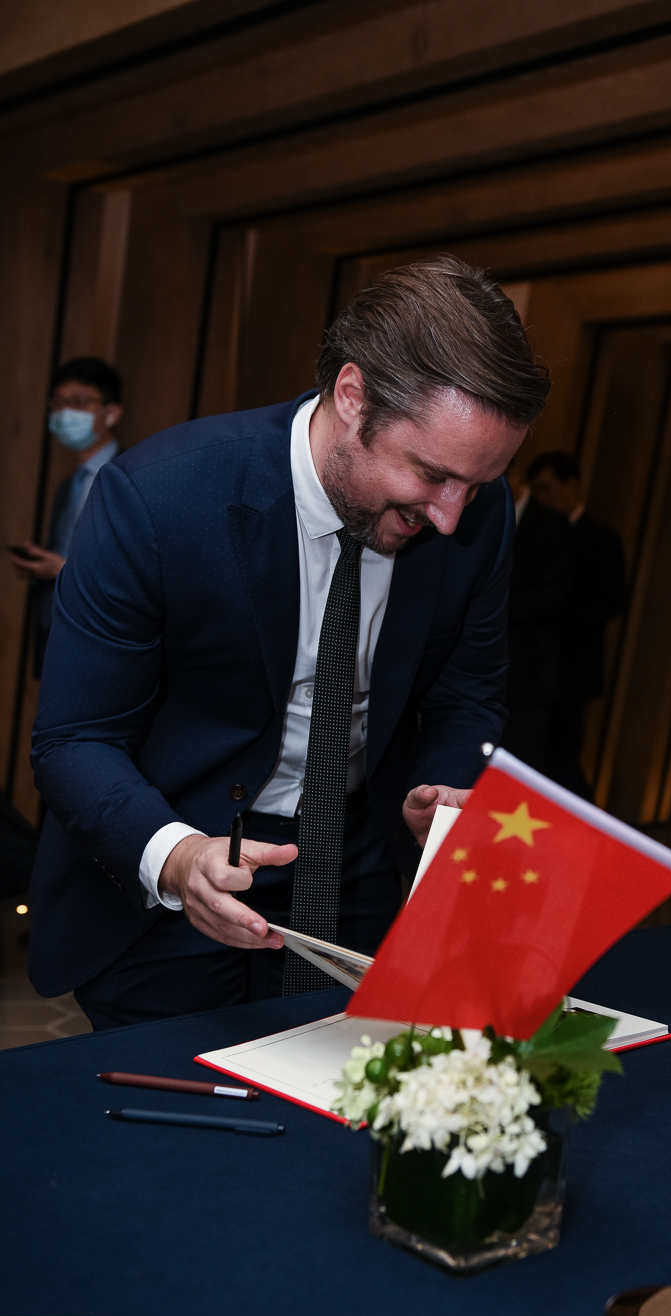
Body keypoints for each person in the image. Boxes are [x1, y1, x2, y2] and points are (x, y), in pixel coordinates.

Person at [29, 256, 549, 1028]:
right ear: (353, 396)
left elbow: (467, 690)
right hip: (175, 860)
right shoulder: (160, 499)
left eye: (476, 484)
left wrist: (440, 787)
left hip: (360, 862)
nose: (451, 516)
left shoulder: (481, 511)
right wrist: (177, 856)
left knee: (342, 1093)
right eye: (432, 474)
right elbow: (74, 738)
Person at [10, 357, 123, 676]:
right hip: (55, 627)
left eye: (80, 403)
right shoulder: (68, 486)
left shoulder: (126, 479)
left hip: (99, 637)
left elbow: (127, 570)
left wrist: (61, 569)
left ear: (112, 413)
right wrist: (42, 566)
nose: (65, 413)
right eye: (58, 403)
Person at [527, 452, 626, 799]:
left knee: (563, 759)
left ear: (570, 485)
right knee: (532, 755)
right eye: (535, 490)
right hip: (533, 669)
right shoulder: (535, 532)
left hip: (572, 667)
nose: (540, 498)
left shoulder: (601, 537)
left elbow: (612, 600)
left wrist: (558, 607)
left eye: (546, 488)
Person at [500, 455, 571, 772]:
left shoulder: (552, 524)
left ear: (514, 476)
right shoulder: (479, 515)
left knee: (518, 767)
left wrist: (493, 607)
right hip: (482, 671)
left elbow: (557, 595)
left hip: (528, 674)